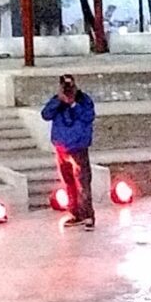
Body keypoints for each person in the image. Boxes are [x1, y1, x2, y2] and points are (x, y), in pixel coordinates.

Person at [41, 74, 97, 230]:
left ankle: (88, 215)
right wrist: (59, 100)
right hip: (61, 148)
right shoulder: (57, 100)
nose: (67, 90)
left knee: (83, 183)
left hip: (78, 147)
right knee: (69, 182)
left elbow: (89, 116)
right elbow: (45, 115)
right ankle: (75, 213)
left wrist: (73, 104)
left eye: (70, 87)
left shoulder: (84, 100)